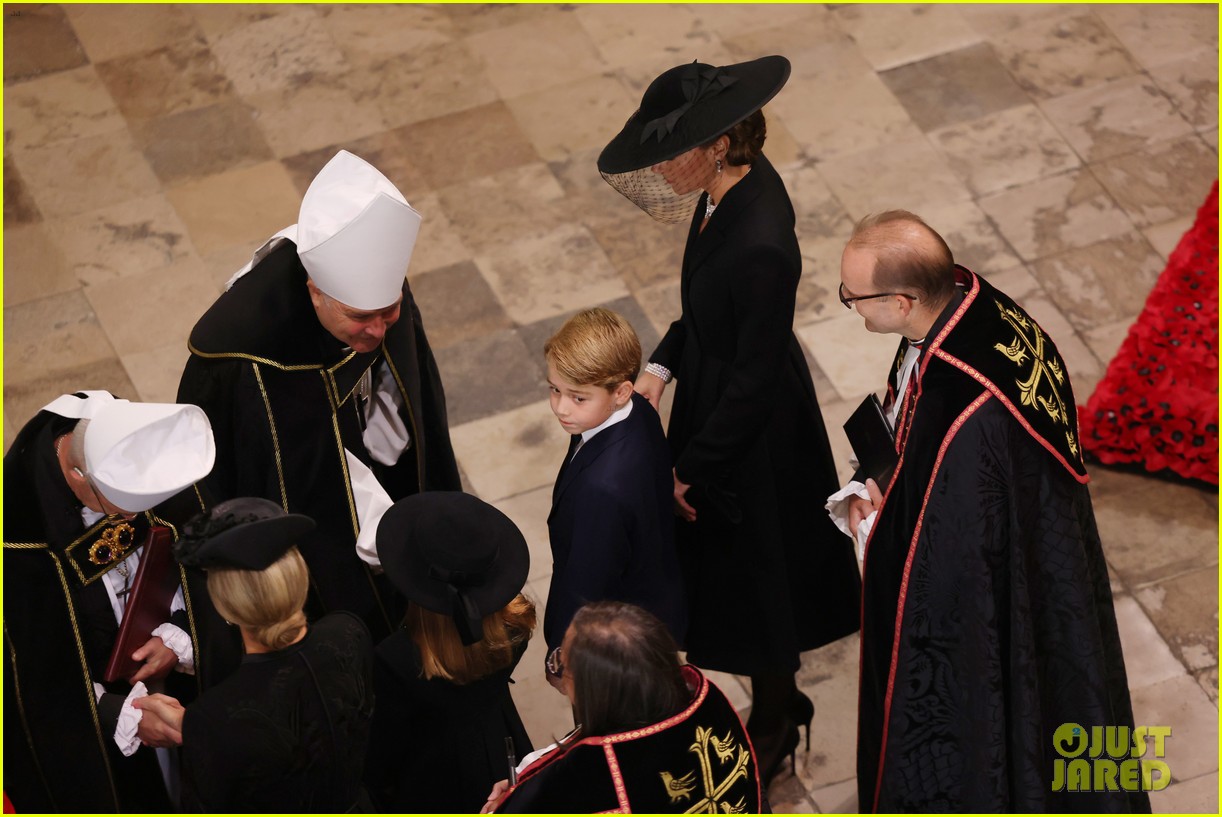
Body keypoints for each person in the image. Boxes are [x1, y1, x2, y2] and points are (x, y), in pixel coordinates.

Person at [828, 210, 1149, 812]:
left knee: (997, 726)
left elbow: (943, 564)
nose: (849, 303)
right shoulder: (966, 302)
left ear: (902, 300)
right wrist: (873, 475)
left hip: (1004, 593)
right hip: (1042, 545)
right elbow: (908, 427)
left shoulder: (971, 412)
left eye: (854, 296)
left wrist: (875, 524)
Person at [597, 55, 860, 781]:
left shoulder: (764, 242)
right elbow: (706, 313)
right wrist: (658, 368)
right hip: (723, 399)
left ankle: (777, 716)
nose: (662, 167)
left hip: (756, 436)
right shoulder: (723, 194)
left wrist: (690, 471)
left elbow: (751, 376)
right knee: (744, 582)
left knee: (757, 582)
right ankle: (778, 701)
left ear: (718, 142)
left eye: (673, 150)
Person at [177, 149, 461, 641]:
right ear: (315, 292)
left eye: (388, 312)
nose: (376, 331)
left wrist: (390, 417)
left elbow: (404, 384)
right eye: (359, 318)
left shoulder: (373, 293)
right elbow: (295, 475)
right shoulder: (251, 360)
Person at [2, 391, 227, 812]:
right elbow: (27, 675)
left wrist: (180, 631)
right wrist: (112, 713)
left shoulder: (138, 442)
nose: (128, 520)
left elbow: (206, 556)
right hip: (101, 715)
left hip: (177, 683)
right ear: (78, 474)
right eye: (119, 508)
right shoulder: (15, 532)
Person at [138, 497, 375, 812]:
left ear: (226, 606)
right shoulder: (348, 632)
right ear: (298, 575)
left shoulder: (212, 716)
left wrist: (201, 734)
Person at [486, 601, 762, 813]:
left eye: (562, 663)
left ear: (597, 696)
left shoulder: (581, 783)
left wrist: (515, 796)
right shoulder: (707, 703)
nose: (556, 668)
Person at [363, 492, 536, 812]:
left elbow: (385, 748)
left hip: (434, 775)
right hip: (499, 739)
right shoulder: (515, 626)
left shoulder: (396, 660)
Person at [542, 307, 687, 657]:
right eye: (554, 389)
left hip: (613, 644)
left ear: (621, 391)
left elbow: (588, 588)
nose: (561, 408)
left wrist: (564, 653)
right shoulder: (635, 410)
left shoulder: (602, 490)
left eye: (577, 397)